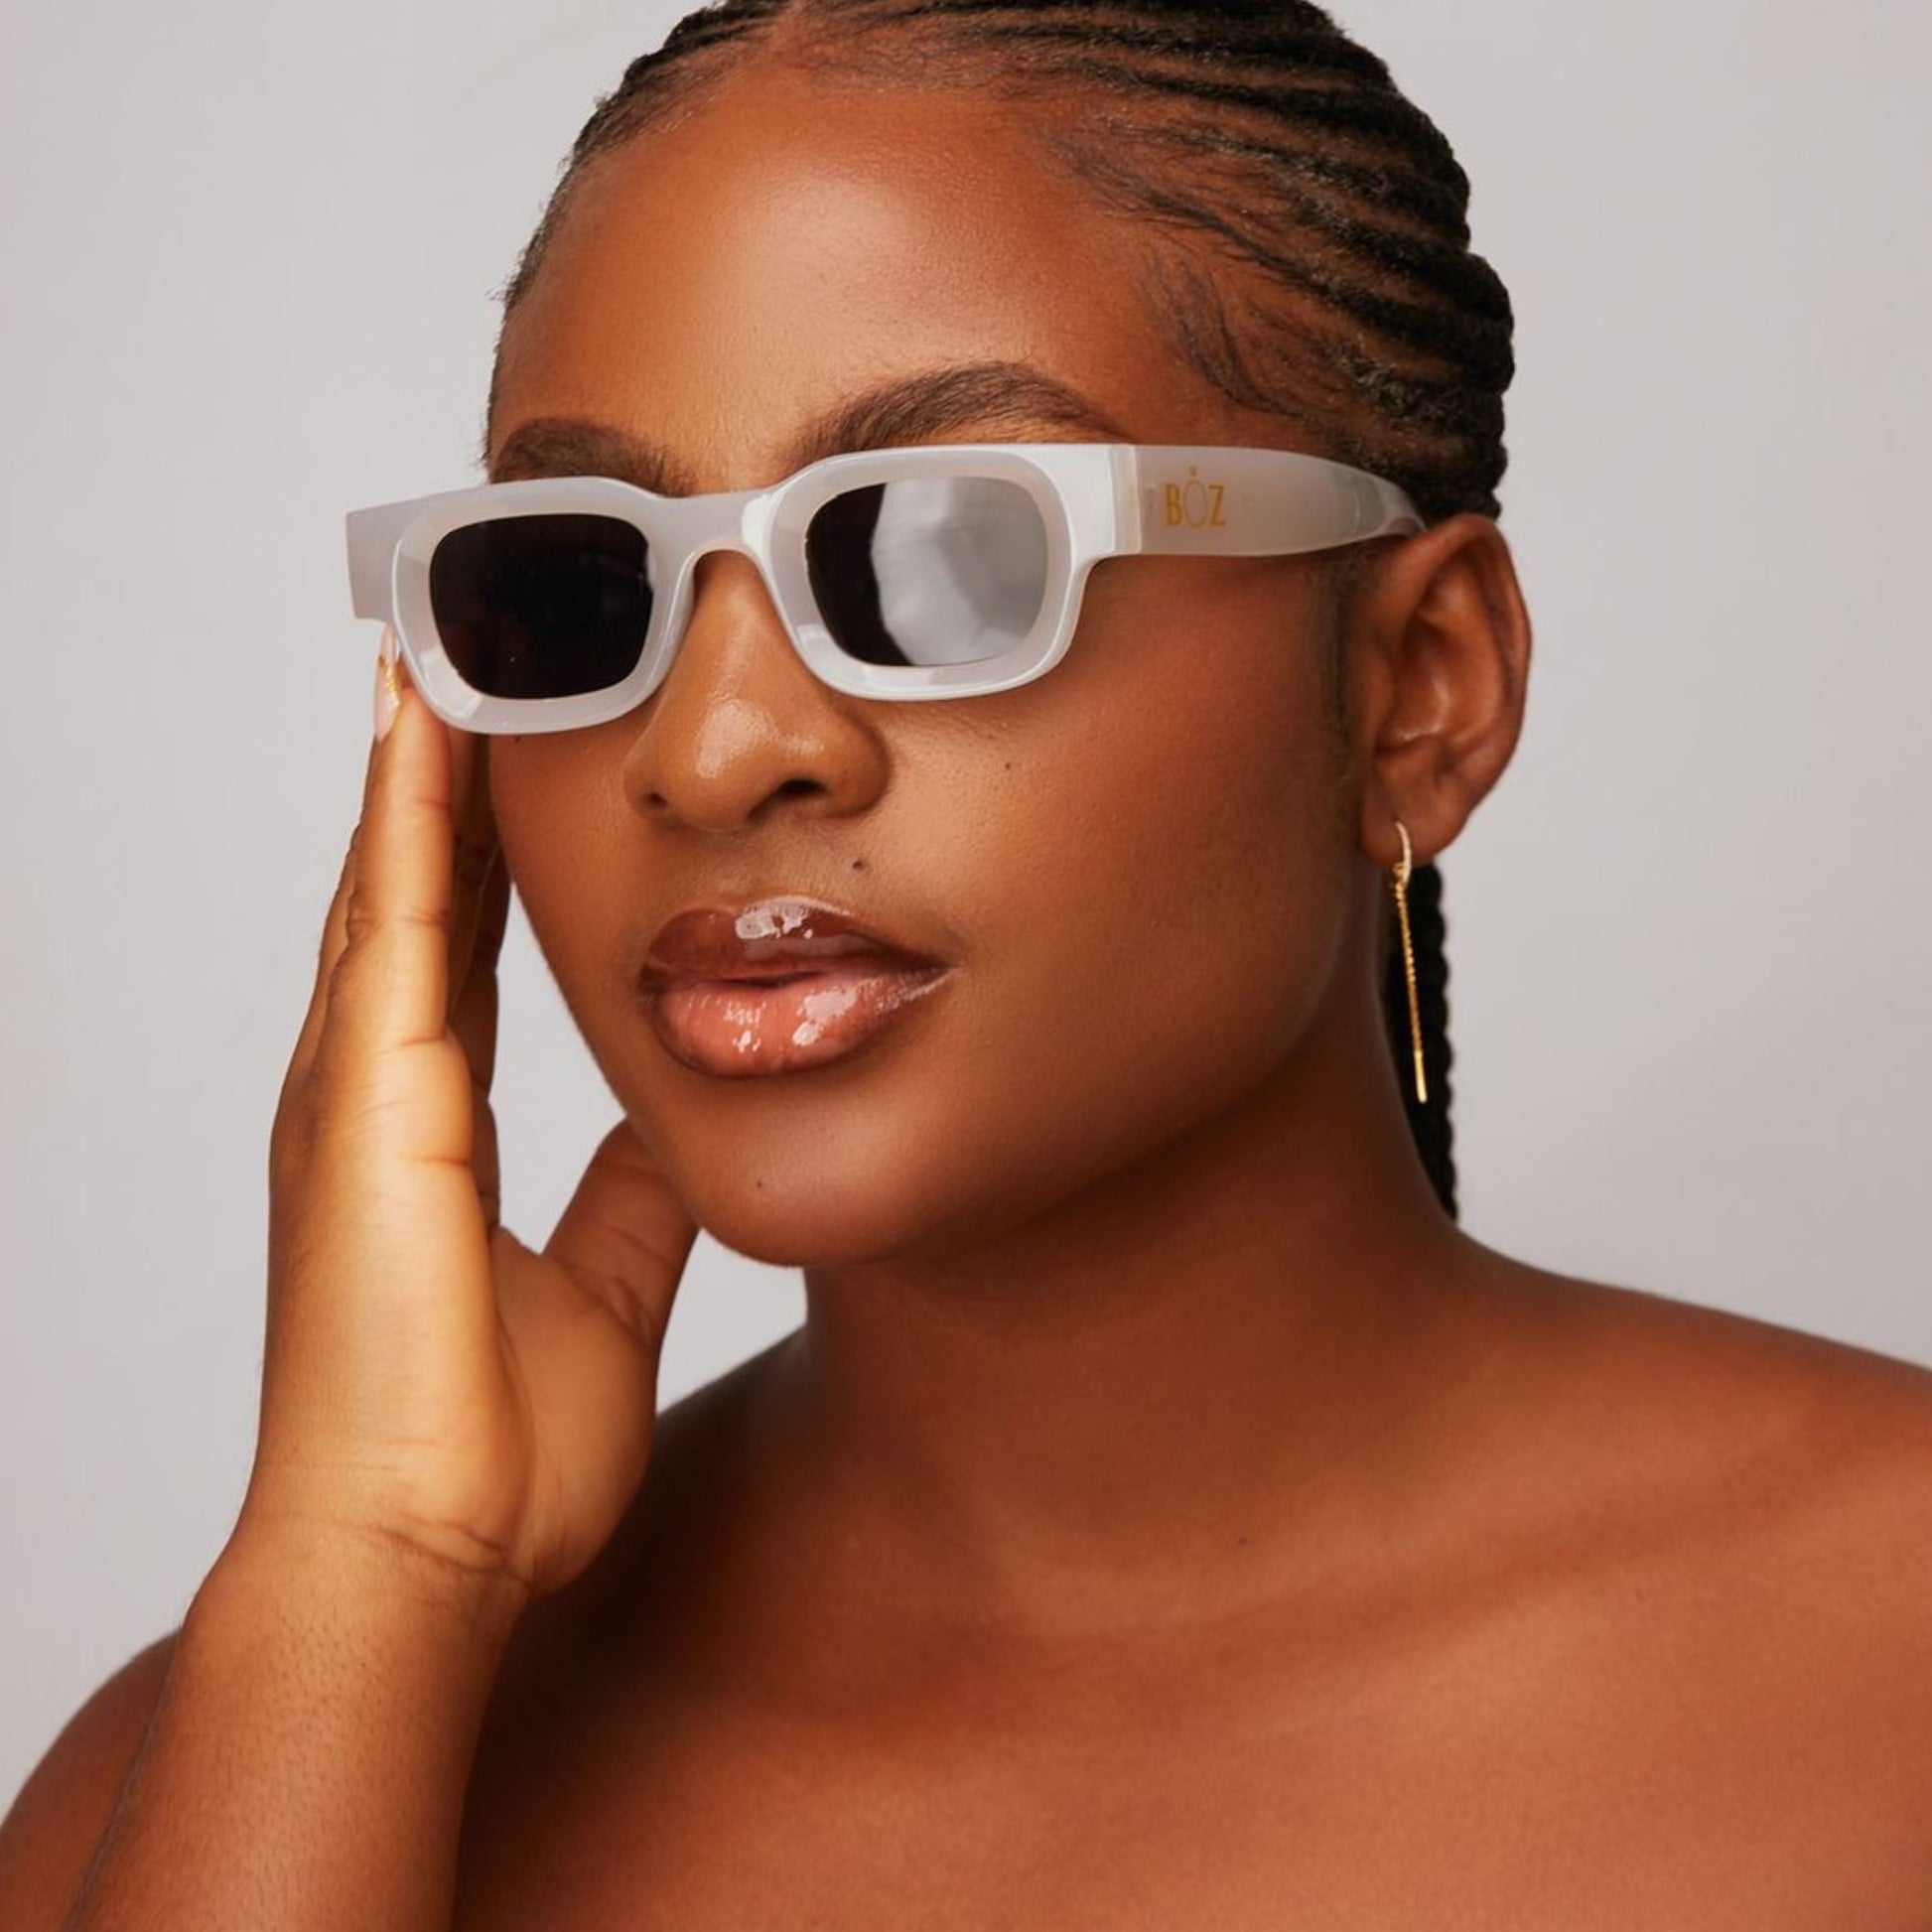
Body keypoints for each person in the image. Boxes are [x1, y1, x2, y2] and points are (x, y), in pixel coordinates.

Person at [5, 1, 1932, 1923]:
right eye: (581, 586)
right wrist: (364, 1570)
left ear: (1417, 686)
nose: (715, 742)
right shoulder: (219, 1785)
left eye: (941, 548)